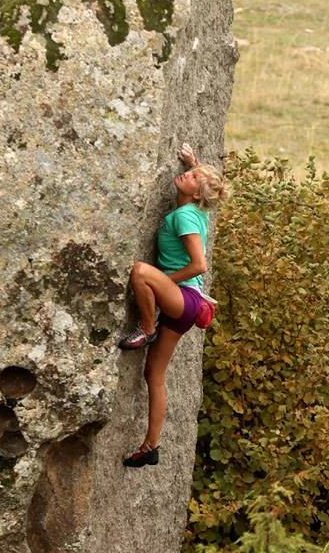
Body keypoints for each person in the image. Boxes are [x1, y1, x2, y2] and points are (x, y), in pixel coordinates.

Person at [119, 142, 227, 468]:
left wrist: (166, 281)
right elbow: (204, 186)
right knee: (154, 373)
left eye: (192, 177)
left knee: (141, 272)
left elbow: (199, 265)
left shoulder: (185, 216)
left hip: (184, 299)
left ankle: (147, 328)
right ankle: (151, 446)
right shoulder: (196, 209)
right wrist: (193, 164)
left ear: (196, 193)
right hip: (185, 308)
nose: (186, 176)